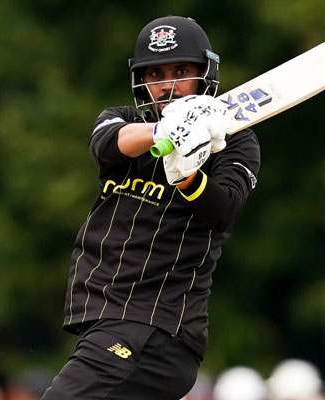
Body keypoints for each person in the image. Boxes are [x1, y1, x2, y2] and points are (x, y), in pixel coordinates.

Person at [42, 15, 260, 400]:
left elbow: (224, 209)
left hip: (155, 327)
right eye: (155, 74)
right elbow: (108, 143)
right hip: (109, 322)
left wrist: (189, 176)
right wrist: (166, 132)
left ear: (205, 74)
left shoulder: (236, 142)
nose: (169, 86)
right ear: (141, 82)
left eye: (181, 71)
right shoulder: (124, 120)